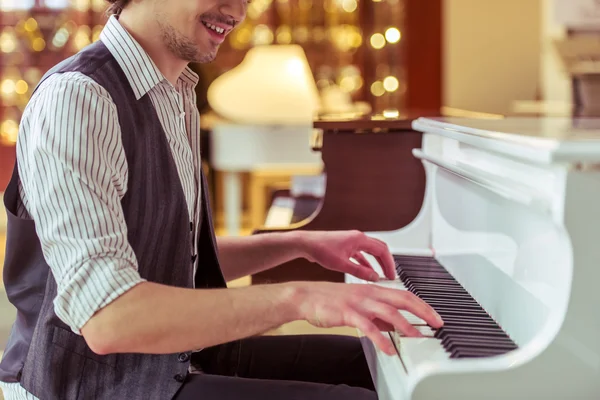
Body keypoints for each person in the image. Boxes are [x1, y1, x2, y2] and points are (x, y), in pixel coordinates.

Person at [0, 0, 443, 399]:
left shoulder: (177, 94)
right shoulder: (79, 97)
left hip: (165, 359)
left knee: (370, 365)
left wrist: (299, 246)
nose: (238, 11)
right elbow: (109, 319)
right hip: (87, 382)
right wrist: (300, 298)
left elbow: (170, 263)